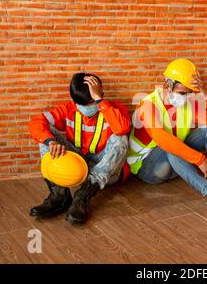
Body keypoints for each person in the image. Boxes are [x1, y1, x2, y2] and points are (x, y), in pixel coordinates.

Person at [126, 59, 207, 212]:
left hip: (177, 163)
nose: (186, 97)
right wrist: (199, 159)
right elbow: (163, 140)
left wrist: (206, 92)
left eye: (189, 93)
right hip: (148, 169)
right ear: (167, 86)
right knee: (170, 147)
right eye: (182, 92)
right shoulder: (148, 104)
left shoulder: (186, 104)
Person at [28, 73, 131, 224]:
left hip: (104, 171)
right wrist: (50, 141)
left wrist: (99, 100)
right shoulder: (68, 109)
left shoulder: (113, 109)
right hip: (77, 165)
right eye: (81, 104)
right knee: (45, 136)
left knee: (121, 138)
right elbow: (36, 122)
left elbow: (122, 128)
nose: (86, 108)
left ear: (100, 94)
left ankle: (82, 197)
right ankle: (59, 195)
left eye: (90, 102)